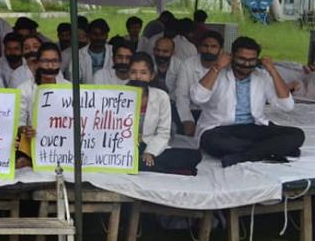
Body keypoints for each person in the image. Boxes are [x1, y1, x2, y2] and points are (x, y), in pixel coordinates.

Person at [192, 36, 301, 167]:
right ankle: (272, 149)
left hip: (253, 127)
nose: (246, 64)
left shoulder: (261, 76)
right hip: (220, 128)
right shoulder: (218, 73)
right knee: (213, 142)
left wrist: (273, 71)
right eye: (241, 59)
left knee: (297, 135)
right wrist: (217, 67)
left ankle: (244, 156)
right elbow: (197, 97)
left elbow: (287, 106)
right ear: (231, 57)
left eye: (251, 60)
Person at [128, 53, 202, 175]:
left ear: (151, 75)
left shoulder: (161, 96)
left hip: (150, 143)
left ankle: (139, 164)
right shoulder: (118, 95)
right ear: (128, 74)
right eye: (133, 72)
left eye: (143, 72)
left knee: (194, 156)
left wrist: (150, 152)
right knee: (134, 160)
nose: (138, 77)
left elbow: (163, 133)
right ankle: (169, 169)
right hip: (126, 148)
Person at [15, 43, 67, 168]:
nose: (50, 66)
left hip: (64, 145)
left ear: (60, 63)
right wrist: (26, 130)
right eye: (45, 61)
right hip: (32, 143)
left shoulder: (69, 89)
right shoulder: (24, 89)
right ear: (37, 63)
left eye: (54, 61)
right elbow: (18, 122)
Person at [175, 30, 224, 137]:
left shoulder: (226, 67)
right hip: (191, 110)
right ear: (199, 48)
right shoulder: (188, 64)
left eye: (213, 46)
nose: (209, 50)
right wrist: (187, 119)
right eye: (205, 46)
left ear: (220, 50)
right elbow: (181, 95)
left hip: (215, 115)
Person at [63, 18, 111, 83]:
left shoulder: (114, 51)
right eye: (95, 34)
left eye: (102, 34)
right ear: (88, 35)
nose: (98, 37)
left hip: (112, 91)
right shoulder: (79, 55)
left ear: (107, 35)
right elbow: (74, 80)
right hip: (86, 92)